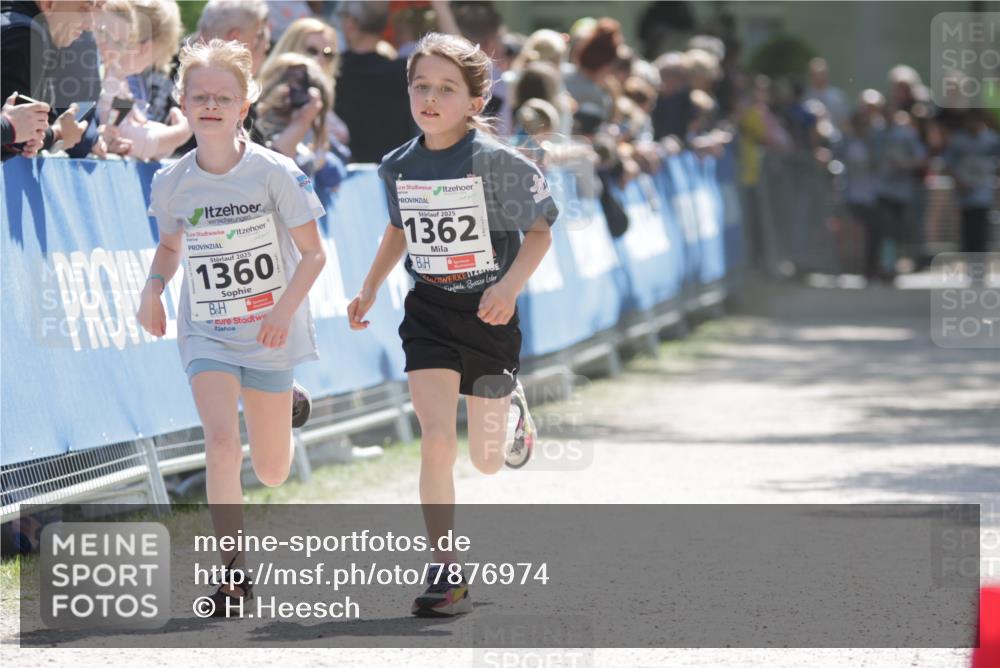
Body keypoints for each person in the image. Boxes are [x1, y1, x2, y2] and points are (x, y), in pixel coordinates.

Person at [346, 32, 559, 617]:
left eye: (446, 89)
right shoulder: (398, 166)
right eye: (421, 87)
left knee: (487, 460)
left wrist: (509, 285)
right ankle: (444, 567)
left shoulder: (497, 163)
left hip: (489, 315)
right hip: (431, 313)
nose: (431, 99)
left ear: (474, 101)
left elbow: (540, 231)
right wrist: (368, 287)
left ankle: (511, 411)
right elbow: (399, 229)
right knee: (437, 438)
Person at [138, 38, 326, 616]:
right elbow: (171, 246)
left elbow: (314, 256)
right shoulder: (171, 182)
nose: (211, 105)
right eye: (200, 96)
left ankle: (286, 398)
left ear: (245, 103)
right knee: (221, 444)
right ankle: (234, 576)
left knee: (271, 471)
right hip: (209, 332)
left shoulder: (274, 173)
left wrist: (281, 311)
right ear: (184, 102)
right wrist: (153, 287)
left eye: (224, 96)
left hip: (270, 330)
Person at [1, 0, 102, 159]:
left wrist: (54, 133)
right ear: (49, 4)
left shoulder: (33, 35)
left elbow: (19, 134)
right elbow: (15, 138)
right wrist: (57, 134)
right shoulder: (24, 38)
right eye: (82, 9)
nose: (89, 24)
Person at [333, 0, 416, 162]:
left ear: (350, 24)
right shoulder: (406, 72)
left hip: (343, 176)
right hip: (395, 174)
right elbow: (459, 62)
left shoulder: (333, 71)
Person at [944, 109, 999, 254]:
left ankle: (980, 264)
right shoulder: (958, 140)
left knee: (981, 228)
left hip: (983, 190)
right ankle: (969, 261)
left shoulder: (992, 139)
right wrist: (959, 182)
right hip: (965, 192)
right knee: (967, 228)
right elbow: (948, 164)